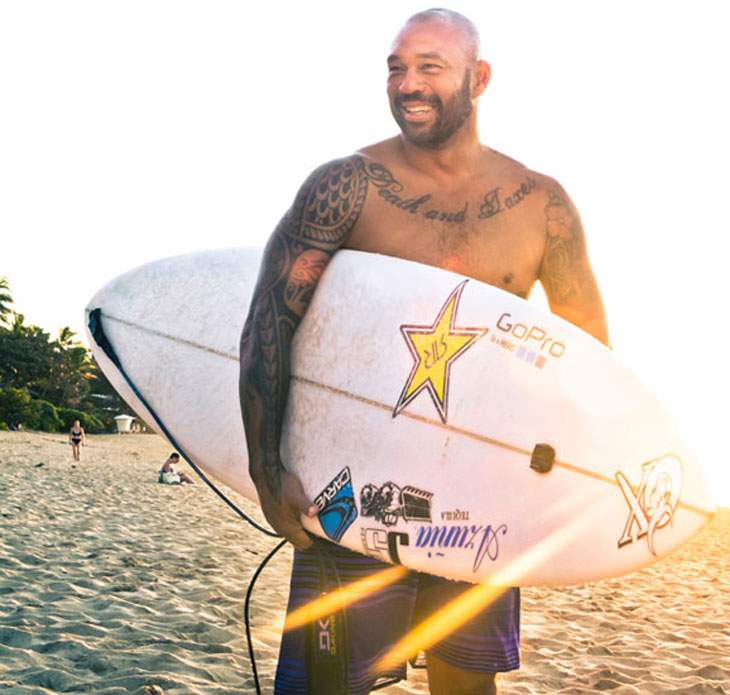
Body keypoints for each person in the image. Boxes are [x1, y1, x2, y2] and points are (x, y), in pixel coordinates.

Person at [238, 10, 608, 695]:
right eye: (396, 67)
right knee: (326, 684)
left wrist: (557, 488)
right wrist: (268, 471)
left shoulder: (541, 205)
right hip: (352, 488)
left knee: (465, 684)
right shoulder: (346, 187)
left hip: (482, 491)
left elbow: (588, 360)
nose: (408, 84)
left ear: (480, 78)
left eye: (430, 68)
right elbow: (269, 322)